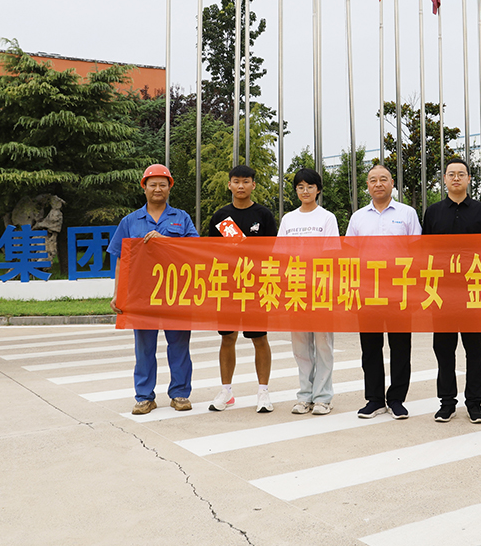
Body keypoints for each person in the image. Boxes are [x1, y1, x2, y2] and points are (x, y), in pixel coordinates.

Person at [108, 164, 199, 415]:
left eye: (162, 184)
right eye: (152, 184)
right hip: (142, 294)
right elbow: (121, 259)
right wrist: (118, 293)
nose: (157, 189)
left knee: (179, 345)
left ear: (170, 187)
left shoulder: (182, 217)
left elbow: (196, 250)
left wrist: (165, 241)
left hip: (176, 293)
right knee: (144, 347)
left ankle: (180, 394)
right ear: (144, 187)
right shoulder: (130, 221)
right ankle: (144, 397)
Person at [422, 157, 481, 423]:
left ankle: (475, 403)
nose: (456, 178)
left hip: (474, 293)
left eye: (461, 174)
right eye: (451, 174)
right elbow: (425, 253)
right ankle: (447, 403)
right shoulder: (433, 213)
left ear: (469, 179)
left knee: (474, 351)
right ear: (444, 179)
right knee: (444, 351)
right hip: (442, 294)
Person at [346, 164, 422, 420]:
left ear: (392, 183)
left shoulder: (407, 213)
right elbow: (350, 255)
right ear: (367, 186)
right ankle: (375, 399)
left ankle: (397, 399)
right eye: (372, 180)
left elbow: (417, 252)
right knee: (370, 348)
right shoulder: (358, 217)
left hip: (399, 290)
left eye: (383, 179)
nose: (378, 184)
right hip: (367, 290)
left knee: (400, 347)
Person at [207, 164, 278, 413]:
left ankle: (263, 392)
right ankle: (226, 392)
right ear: (229, 185)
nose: (241, 186)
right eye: (236, 181)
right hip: (228, 287)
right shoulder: (220, 217)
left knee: (259, 338)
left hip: (257, 287)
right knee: (227, 337)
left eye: (246, 181)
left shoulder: (264, 215)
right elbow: (210, 253)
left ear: (253, 185)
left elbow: (272, 252)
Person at [277, 168, 340, 416]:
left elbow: (332, 254)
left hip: (321, 287)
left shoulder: (327, 218)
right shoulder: (288, 219)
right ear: (296, 191)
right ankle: (304, 396)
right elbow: (280, 254)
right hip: (296, 288)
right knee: (301, 346)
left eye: (310, 186)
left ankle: (323, 397)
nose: (305, 191)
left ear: (318, 190)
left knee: (323, 344)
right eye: (300, 187)